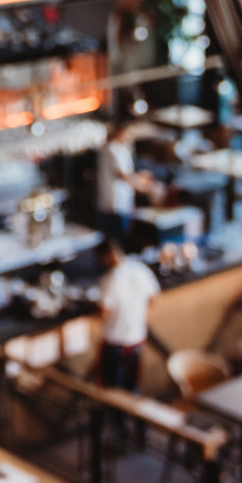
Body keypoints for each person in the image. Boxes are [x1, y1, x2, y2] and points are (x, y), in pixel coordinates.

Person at [95, 238, 161, 393]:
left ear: (104, 258)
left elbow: (104, 314)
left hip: (115, 343)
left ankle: (118, 417)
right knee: (132, 388)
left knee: (111, 390)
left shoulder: (109, 281)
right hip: (136, 339)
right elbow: (155, 299)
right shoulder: (140, 270)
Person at [97, 119, 159, 241]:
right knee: (114, 239)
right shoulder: (112, 148)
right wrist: (145, 186)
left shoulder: (121, 149)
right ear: (121, 132)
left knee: (122, 236)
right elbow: (123, 175)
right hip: (113, 204)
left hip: (122, 204)